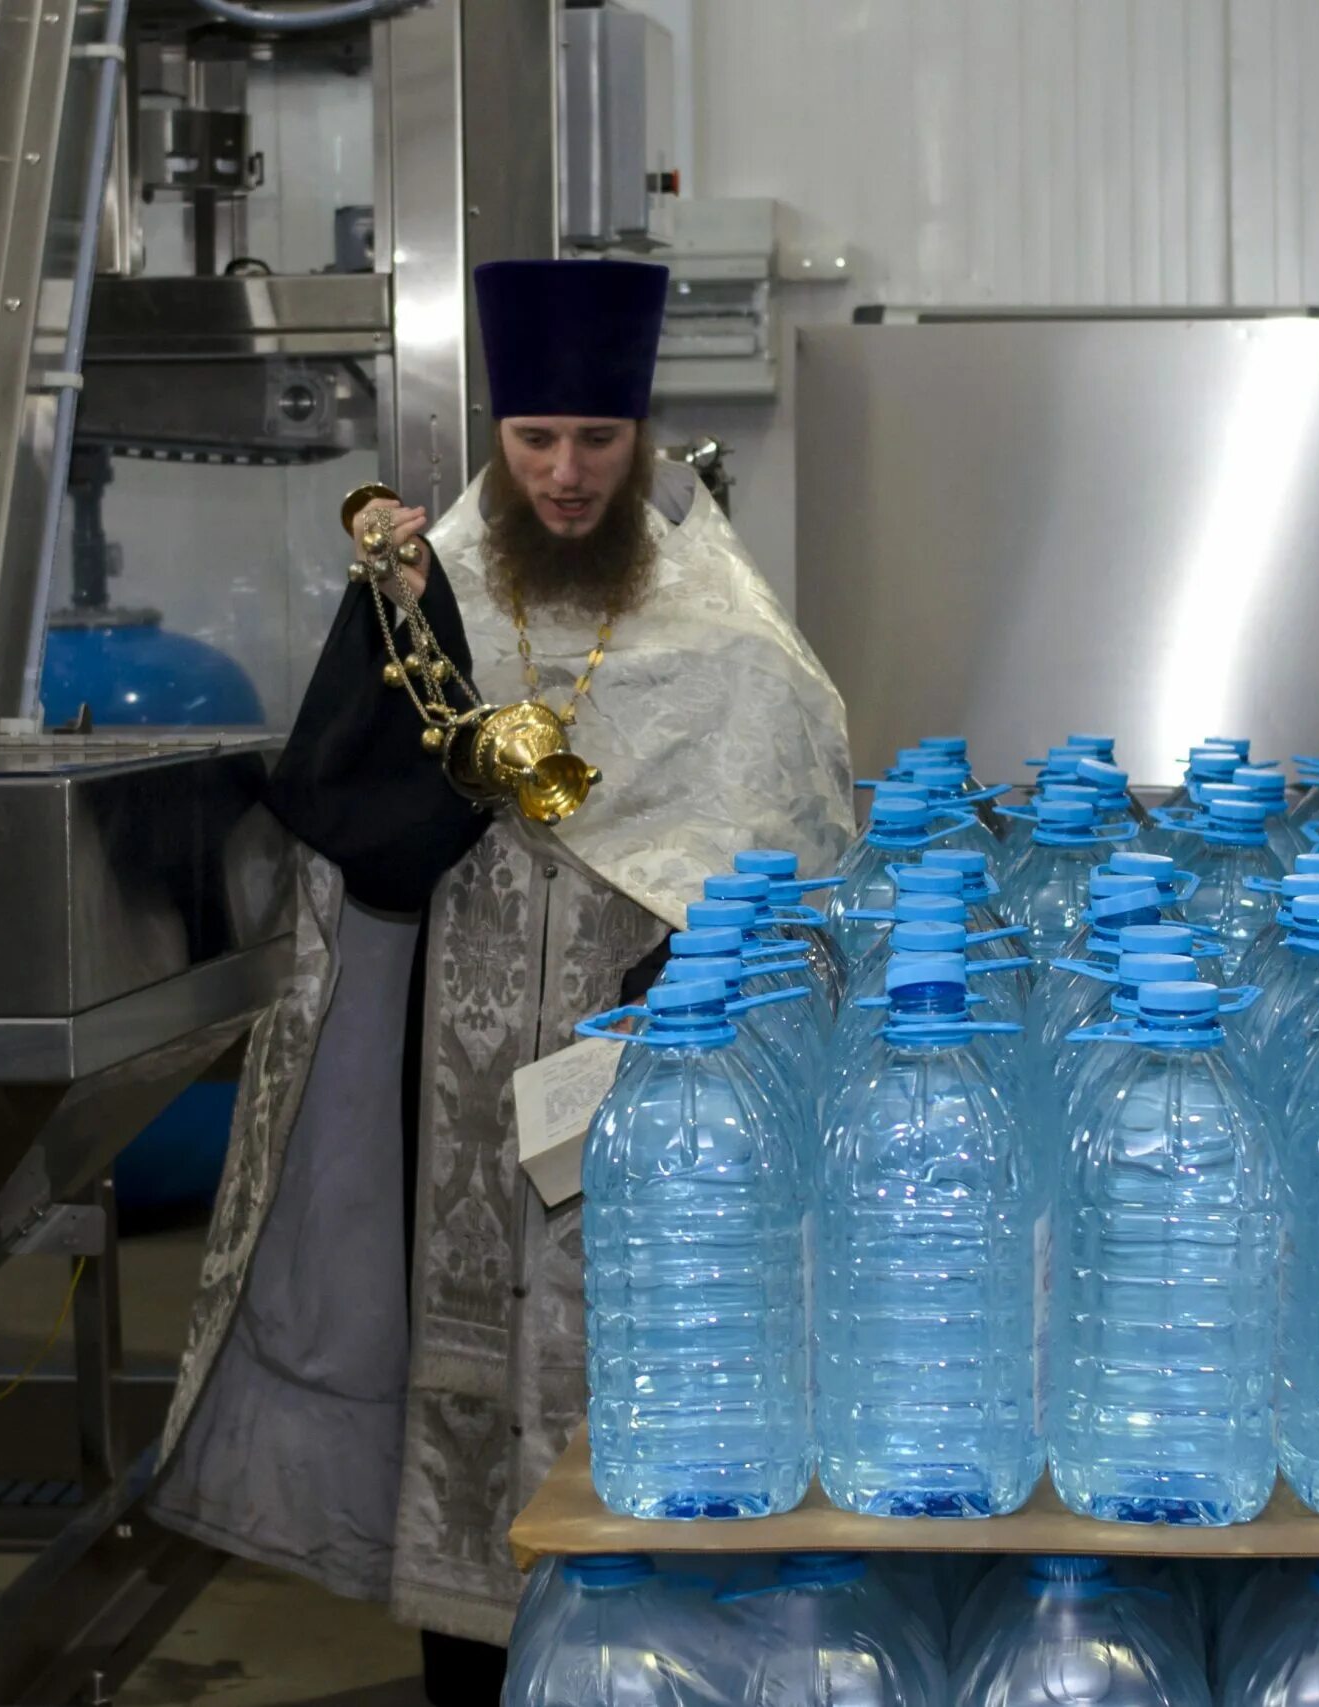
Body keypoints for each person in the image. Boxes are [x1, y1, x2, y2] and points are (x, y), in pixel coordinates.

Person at [147, 257, 854, 1700]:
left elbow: (796, 855)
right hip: (455, 1101)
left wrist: (686, 973)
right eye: (536, 443)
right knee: (462, 1398)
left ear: (639, 438)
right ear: (499, 440)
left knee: (642, 1386)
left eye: (596, 442)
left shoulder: (727, 633)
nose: (567, 476)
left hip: (648, 1095)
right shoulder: (433, 591)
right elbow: (350, 830)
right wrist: (408, 653)